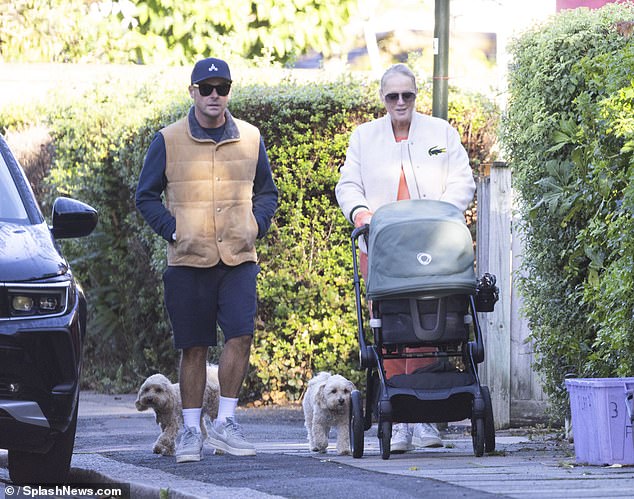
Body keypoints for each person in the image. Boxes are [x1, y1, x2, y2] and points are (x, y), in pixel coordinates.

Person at [136, 57, 278, 463]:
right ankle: (189, 432)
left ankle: (226, 424)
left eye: (222, 87)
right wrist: (173, 230)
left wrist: (256, 224)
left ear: (229, 91)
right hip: (188, 261)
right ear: (193, 92)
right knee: (194, 347)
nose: (215, 95)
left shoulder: (251, 138)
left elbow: (267, 192)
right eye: (206, 88)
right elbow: (145, 196)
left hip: (238, 255)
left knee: (241, 335)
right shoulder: (167, 139)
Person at [335, 63, 475, 453]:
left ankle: (427, 417)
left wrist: (441, 214)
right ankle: (397, 417)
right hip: (383, 249)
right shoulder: (365, 137)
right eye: (392, 96)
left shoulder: (441, 133)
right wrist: (360, 211)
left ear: (417, 96)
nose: (400, 102)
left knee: (429, 328)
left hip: (431, 247)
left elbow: (462, 180)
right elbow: (348, 184)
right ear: (383, 99)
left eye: (407, 95)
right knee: (391, 328)